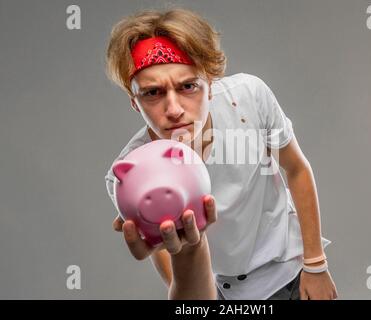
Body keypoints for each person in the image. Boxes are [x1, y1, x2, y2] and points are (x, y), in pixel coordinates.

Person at [104, 7, 338, 300]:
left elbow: (296, 169)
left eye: (188, 86)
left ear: (211, 84)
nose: (174, 110)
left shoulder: (249, 97)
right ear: (135, 103)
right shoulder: (130, 175)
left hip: (289, 266)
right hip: (221, 292)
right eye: (153, 93)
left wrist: (315, 265)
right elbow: (187, 291)